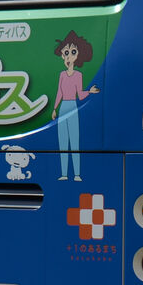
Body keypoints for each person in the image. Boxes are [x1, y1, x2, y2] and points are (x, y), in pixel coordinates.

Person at [50, 30, 99, 182]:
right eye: (66, 52)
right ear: (62, 55)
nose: (69, 56)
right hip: (63, 106)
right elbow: (59, 92)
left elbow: (80, 94)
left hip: (73, 107)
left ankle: (77, 174)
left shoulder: (79, 75)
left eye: (72, 52)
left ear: (77, 55)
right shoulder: (62, 75)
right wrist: (54, 108)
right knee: (63, 142)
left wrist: (89, 92)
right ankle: (64, 174)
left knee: (75, 141)